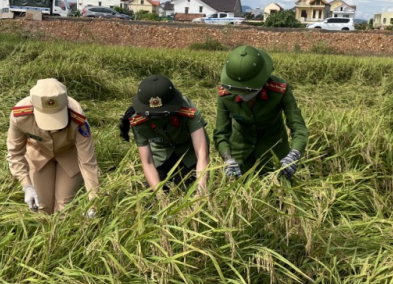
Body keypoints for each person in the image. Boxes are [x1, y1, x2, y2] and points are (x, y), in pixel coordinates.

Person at [214, 45, 309, 179]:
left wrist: (294, 155)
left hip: (274, 155)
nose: (243, 95)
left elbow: (298, 127)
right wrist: (228, 158)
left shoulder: (279, 91)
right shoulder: (226, 95)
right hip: (240, 155)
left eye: (248, 91)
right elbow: (221, 133)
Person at [7, 78, 99, 214]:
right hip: (39, 154)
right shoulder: (20, 116)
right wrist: (26, 186)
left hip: (68, 155)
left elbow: (88, 163)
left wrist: (94, 201)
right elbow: (15, 153)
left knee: (64, 208)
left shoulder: (77, 118)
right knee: (41, 206)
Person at [121, 75, 209, 193]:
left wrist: (201, 193)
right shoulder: (138, 120)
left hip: (188, 153)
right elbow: (147, 162)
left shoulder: (187, 109)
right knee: (151, 198)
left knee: (187, 190)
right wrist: (160, 197)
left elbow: (202, 155)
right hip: (161, 155)